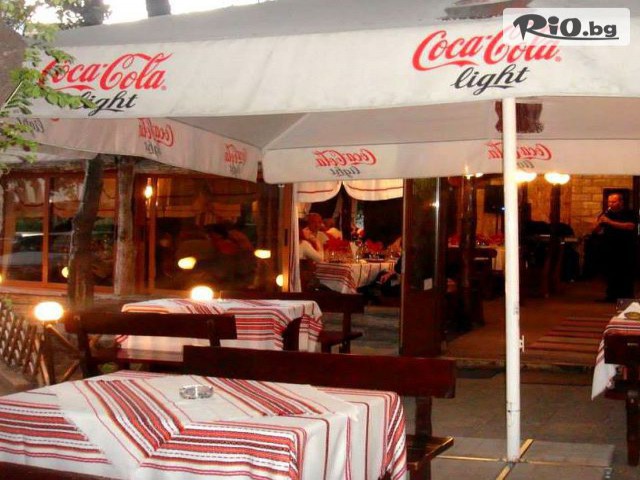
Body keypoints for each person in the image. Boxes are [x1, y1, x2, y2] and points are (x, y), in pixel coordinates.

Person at [593, 193, 638, 302]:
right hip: (610, 247)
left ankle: (626, 297)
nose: (611, 204)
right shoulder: (607, 214)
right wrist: (598, 222)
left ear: (621, 202)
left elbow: (630, 226)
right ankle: (611, 296)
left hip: (625, 247)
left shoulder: (629, 213)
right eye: (609, 202)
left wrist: (610, 222)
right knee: (610, 272)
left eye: (614, 202)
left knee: (625, 273)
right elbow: (596, 231)